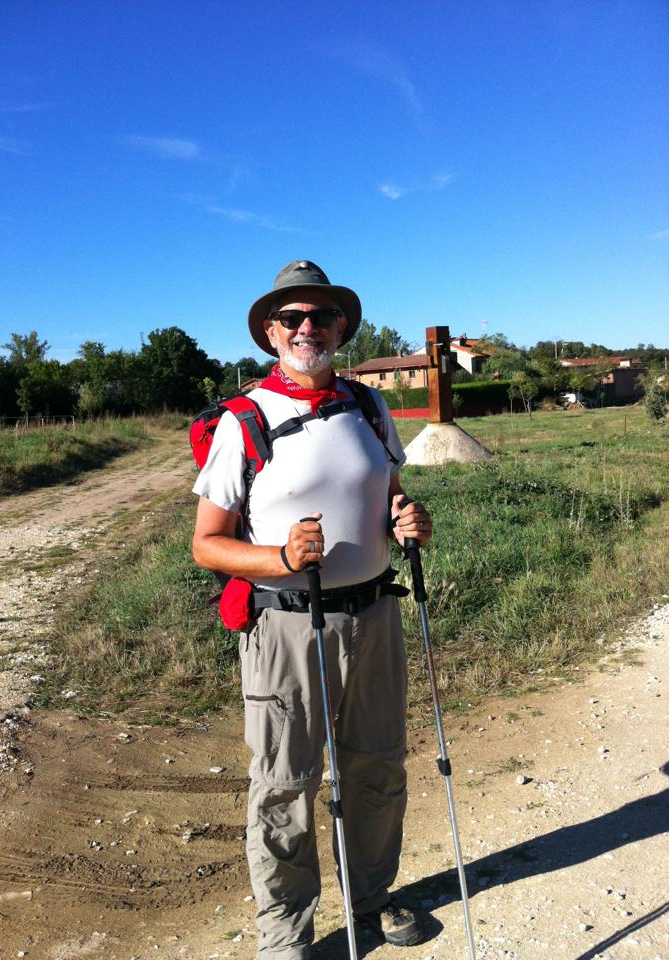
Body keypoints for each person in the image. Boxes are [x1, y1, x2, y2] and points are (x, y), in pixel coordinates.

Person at [192, 260, 432, 959]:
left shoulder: (368, 406)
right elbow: (207, 544)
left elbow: (387, 495)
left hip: (375, 616)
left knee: (379, 769)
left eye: (319, 317)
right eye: (292, 318)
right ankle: (286, 937)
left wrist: (409, 519)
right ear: (270, 333)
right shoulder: (246, 420)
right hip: (286, 626)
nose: (307, 328)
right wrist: (279, 559)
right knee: (284, 787)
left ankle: (371, 901)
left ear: (340, 328)